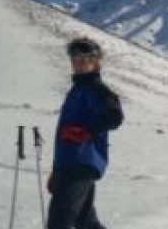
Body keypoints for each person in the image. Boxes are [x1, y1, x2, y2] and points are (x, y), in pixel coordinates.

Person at [47, 37, 124, 229]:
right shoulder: (78, 89)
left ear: (95, 62)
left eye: (85, 60)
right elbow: (65, 136)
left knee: (59, 221)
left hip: (82, 163)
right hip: (71, 164)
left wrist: (87, 131)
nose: (79, 64)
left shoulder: (95, 88)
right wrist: (57, 170)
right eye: (75, 60)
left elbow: (115, 116)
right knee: (85, 222)